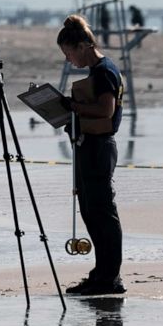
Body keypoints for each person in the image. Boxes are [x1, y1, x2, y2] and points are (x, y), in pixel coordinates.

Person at [57, 15, 126, 295]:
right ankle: (101, 275)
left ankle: (110, 279)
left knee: (102, 213)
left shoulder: (104, 71)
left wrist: (73, 107)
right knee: (89, 211)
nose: (69, 60)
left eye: (69, 53)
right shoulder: (96, 71)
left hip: (100, 147)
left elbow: (105, 111)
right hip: (88, 146)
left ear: (83, 46)